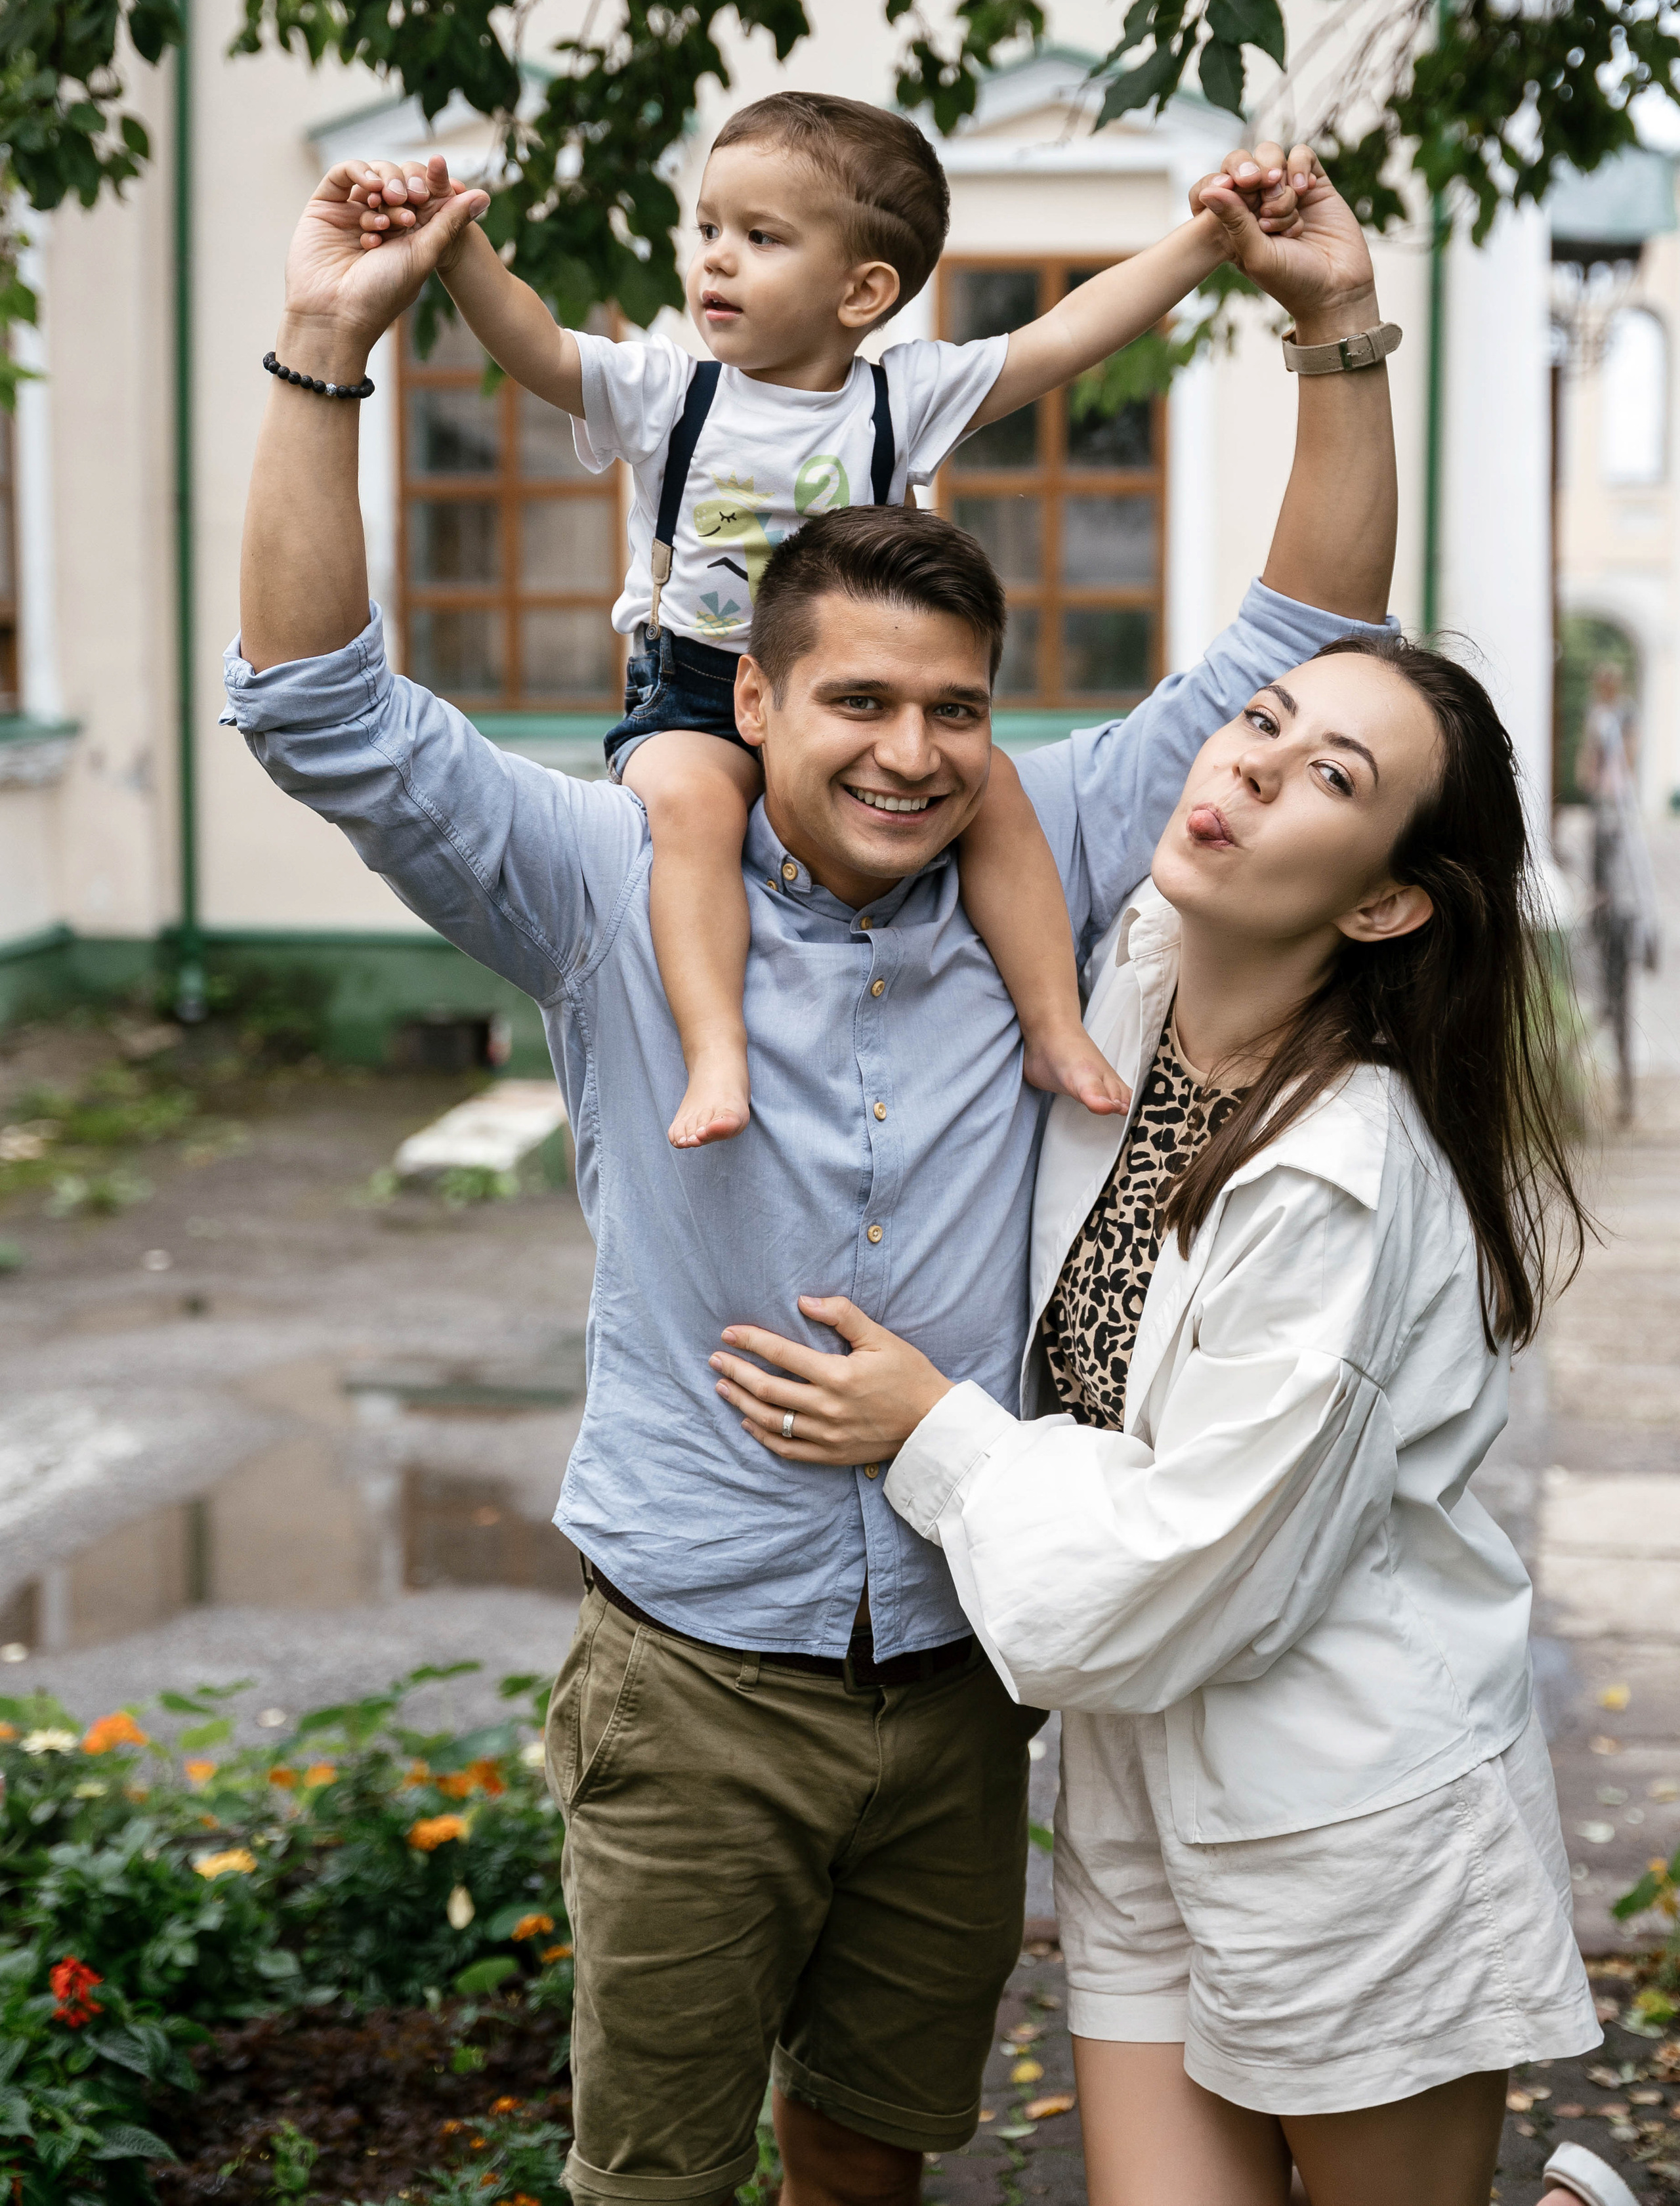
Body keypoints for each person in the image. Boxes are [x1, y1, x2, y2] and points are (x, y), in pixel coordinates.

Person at [228, 129, 1400, 2206]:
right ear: (745, 696)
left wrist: (1331, 330)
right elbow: (325, 713)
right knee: (656, 2171)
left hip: (960, 1681)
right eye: (854, 697)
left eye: (954, 706)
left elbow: (1295, 629)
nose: (910, 750)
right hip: (693, 1672)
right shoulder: (610, 880)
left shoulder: (1043, 855)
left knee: (875, 2147)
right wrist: (328, 349)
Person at [710, 637, 1607, 2206]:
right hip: (1137, 1802)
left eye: (1329, 773)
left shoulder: (1342, 1176)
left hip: (1346, 1827)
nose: (1251, 763)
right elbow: (960, 770)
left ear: (1384, 900)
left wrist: (932, 1431)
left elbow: (1180, 1567)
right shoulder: (1131, 980)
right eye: (1259, 722)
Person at [352, 95, 1302, 1149]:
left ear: (864, 290)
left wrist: (1209, 237)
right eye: (708, 228)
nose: (716, 260)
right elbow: (536, 346)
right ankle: (716, 1049)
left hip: (858, 698)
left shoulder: (903, 399)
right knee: (692, 820)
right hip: (702, 692)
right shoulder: (672, 393)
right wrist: (457, 250)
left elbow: (1069, 332)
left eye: (760, 239)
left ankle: (1051, 1023)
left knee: (998, 806)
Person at [1576, 658, 1658, 1123]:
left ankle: (1625, 1095)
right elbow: (1589, 768)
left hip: (1621, 917)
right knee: (1608, 1002)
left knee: (1618, 1002)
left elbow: (1619, 759)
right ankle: (1616, 1092)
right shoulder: (1598, 716)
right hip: (1611, 907)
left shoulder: (1623, 715)